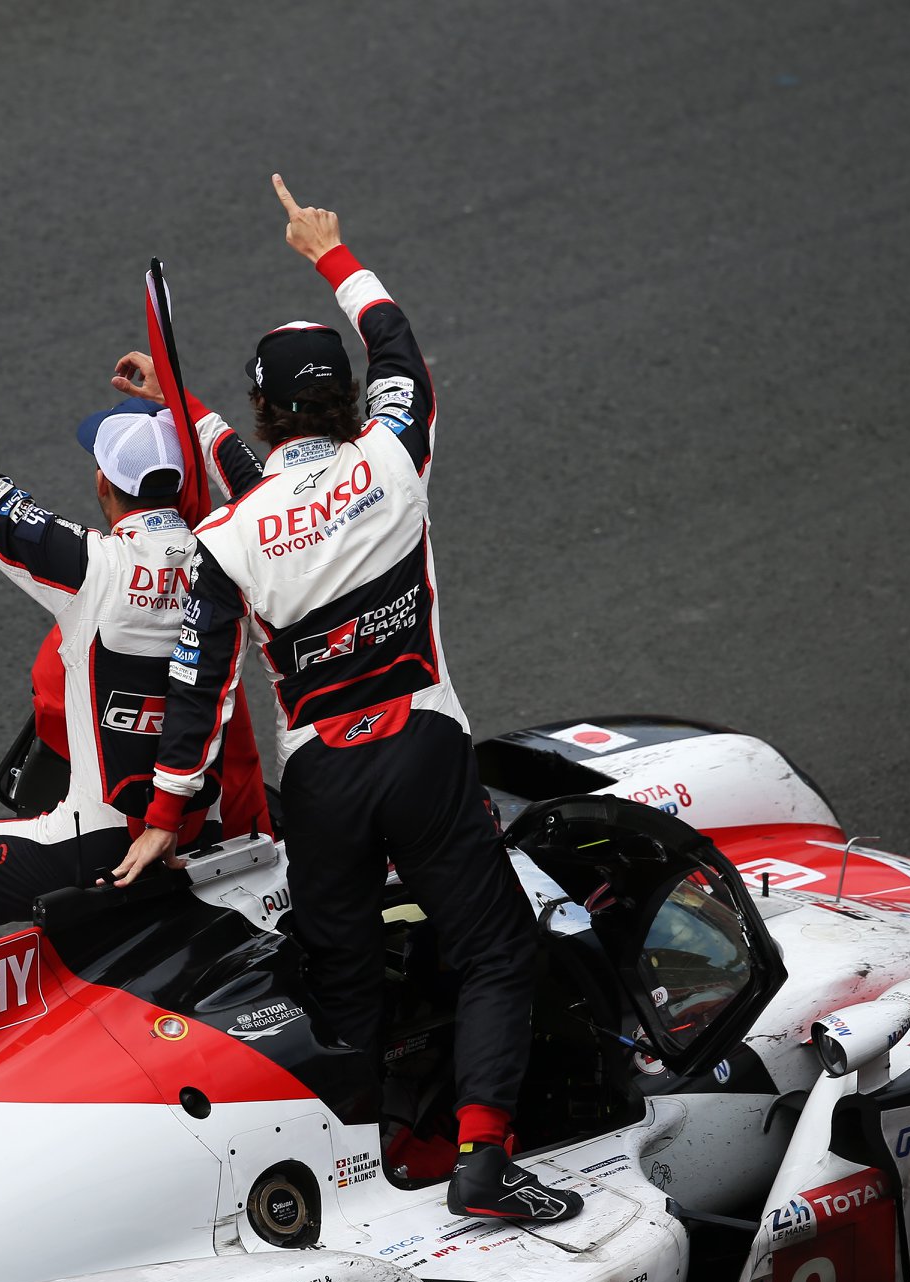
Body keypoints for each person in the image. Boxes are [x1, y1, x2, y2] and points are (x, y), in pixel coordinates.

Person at [111, 177, 581, 1223]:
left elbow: (201, 680)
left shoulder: (228, 537)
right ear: (347, 405)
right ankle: (483, 1162)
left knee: (342, 979)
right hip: (420, 746)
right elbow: (400, 352)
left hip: (319, 777)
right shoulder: (393, 458)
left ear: (268, 410)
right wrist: (330, 251)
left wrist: (162, 814)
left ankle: (351, 1183)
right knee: (496, 948)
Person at [0, 287, 268, 987]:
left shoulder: (91, 565)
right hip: (202, 835)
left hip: (98, 847)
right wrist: (184, 402)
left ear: (105, 486)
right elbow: (255, 484)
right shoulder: (234, 550)